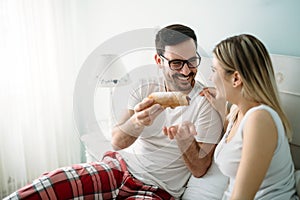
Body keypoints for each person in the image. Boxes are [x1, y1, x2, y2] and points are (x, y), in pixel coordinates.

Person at [4, 24, 223, 200]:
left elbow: (200, 169)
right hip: (118, 168)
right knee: (51, 183)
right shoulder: (144, 87)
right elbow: (117, 141)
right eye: (176, 63)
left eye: (192, 61)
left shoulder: (206, 103)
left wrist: (185, 141)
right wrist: (137, 122)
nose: (186, 71)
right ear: (159, 61)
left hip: (158, 190)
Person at [200, 34, 298, 199]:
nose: (211, 78)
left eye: (214, 70)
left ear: (236, 78)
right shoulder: (237, 113)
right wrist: (221, 110)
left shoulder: (260, 120)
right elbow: (236, 147)